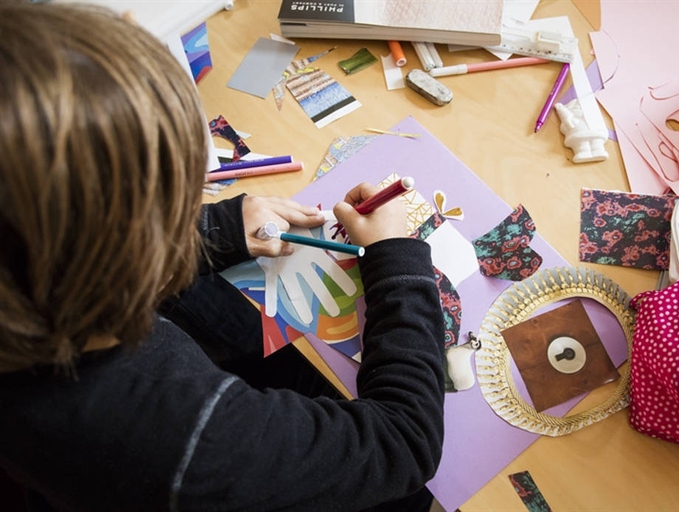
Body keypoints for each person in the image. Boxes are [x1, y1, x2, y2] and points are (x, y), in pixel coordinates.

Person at [0, 3, 446, 511]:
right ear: (120, 255)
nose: (193, 208)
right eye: (178, 205)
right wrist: (397, 260)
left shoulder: (29, 289)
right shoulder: (179, 439)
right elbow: (403, 444)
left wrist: (218, 228)